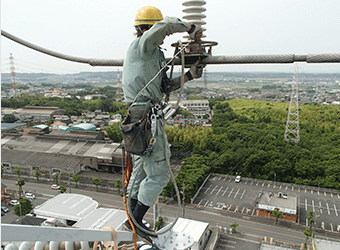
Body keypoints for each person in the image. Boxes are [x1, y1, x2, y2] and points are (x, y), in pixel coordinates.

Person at [121, 6, 204, 245]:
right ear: (148, 28)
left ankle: (132, 220)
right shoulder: (143, 46)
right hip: (146, 118)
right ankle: (135, 220)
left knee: (140, 172)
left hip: (139, 116)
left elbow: (163, 87)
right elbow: (166, 25)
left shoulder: (151, 55)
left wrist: (188, 76)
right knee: (158, 173)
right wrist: (190, 28)